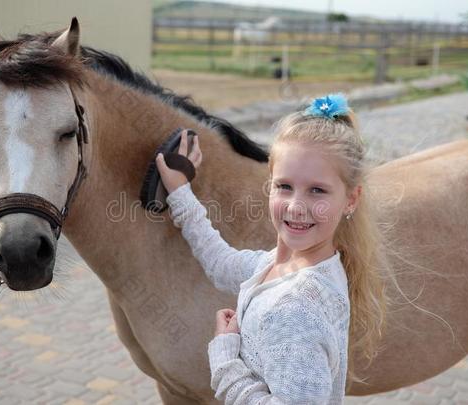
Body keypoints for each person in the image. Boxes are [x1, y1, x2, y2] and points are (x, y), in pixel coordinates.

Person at [155, 94, 387, 404]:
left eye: (317, 190)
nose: (295, 206)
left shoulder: (296, 309)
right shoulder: (284, 266)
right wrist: (180, 192)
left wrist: (225, 362)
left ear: (351, 199)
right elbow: (221, 263)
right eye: (284, 186)